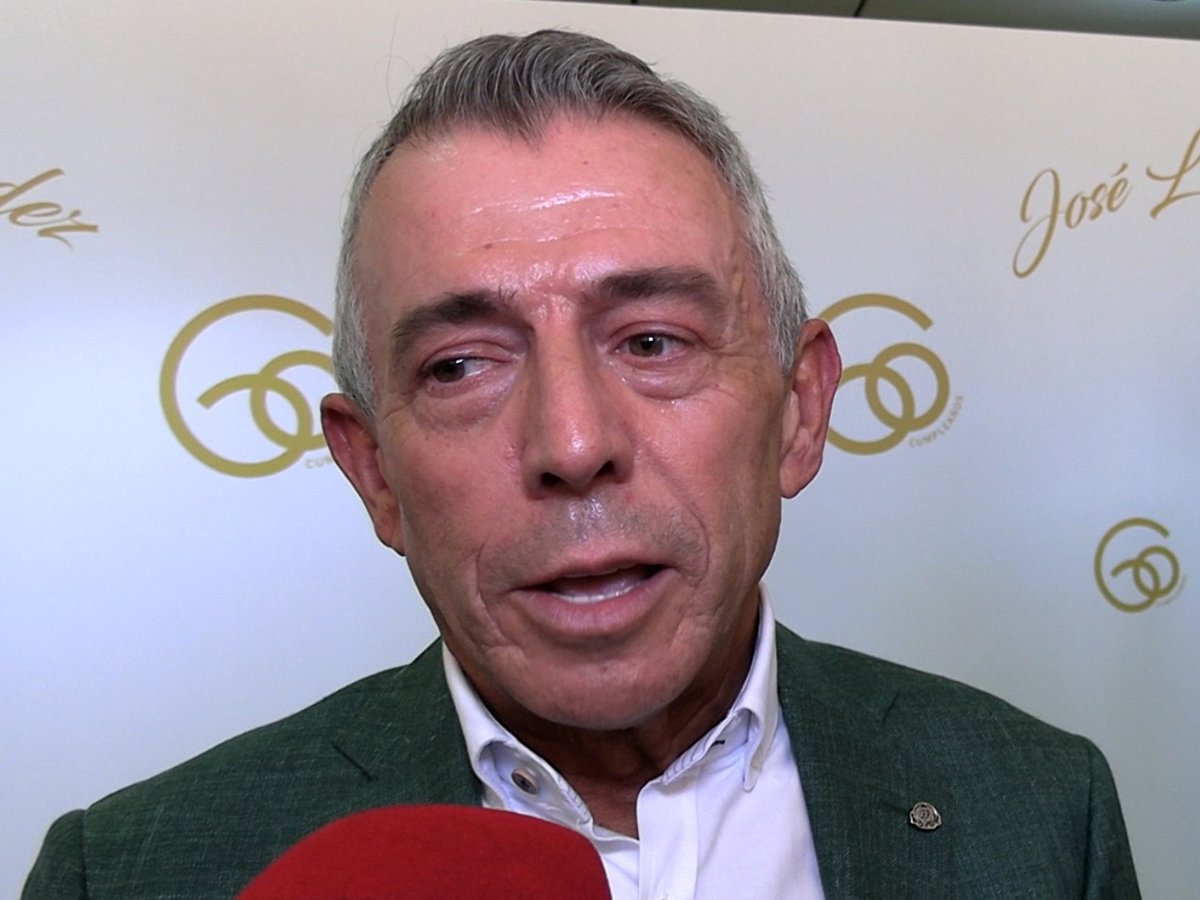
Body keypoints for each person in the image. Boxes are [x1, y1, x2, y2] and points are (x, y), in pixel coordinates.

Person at [24, 29, 1139, 899]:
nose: (571, 445)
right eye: (462, 366)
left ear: (800, 412)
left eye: (652, 342)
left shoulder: (1043, 808)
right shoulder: (126, 872)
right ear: (374, 474)